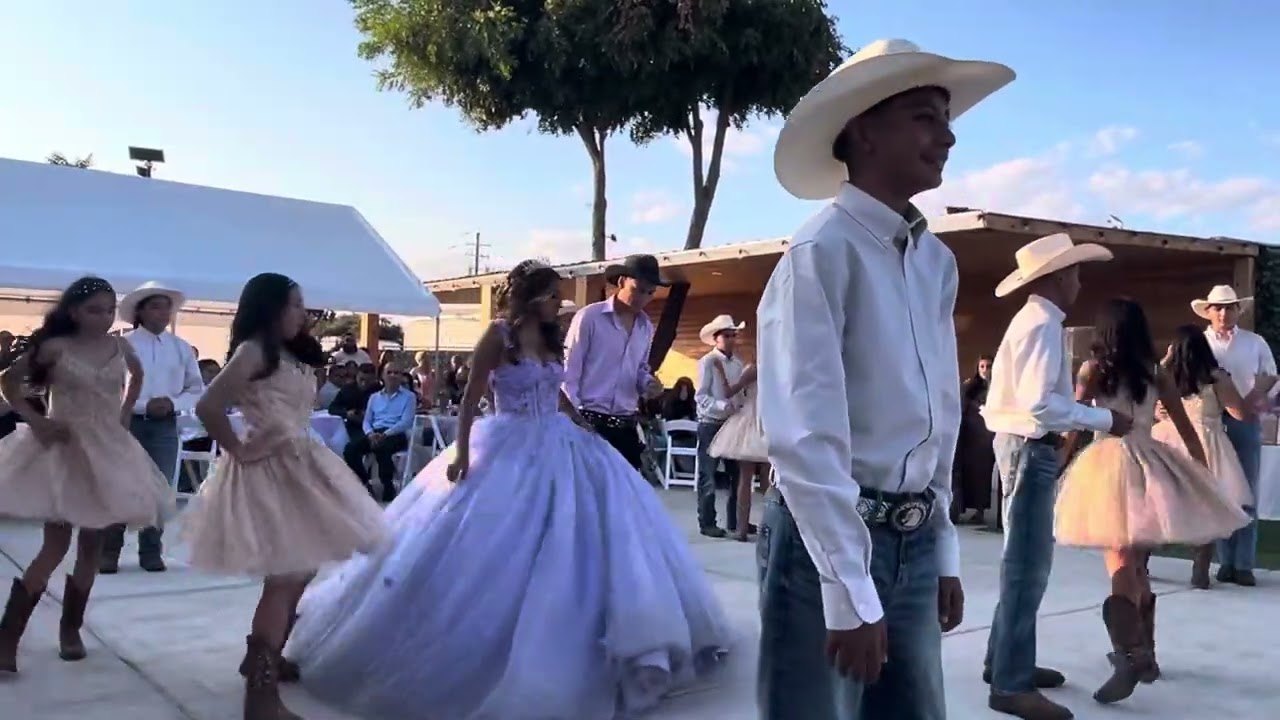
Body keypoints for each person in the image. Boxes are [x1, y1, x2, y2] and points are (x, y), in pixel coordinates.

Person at [286, 260, 729, 720]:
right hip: (508, 440)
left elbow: (557, 389)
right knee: (495, 541)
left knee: (582, 533)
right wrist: (461, 453)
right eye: (553, 295)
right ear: (532, 296)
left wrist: (576, 419)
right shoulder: (499, 336)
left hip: (559, 437)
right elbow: (472, 397)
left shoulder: (553, 337)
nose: (559, 303)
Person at [756, 39, 1014, 720]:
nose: (947, 137)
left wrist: (942, 547)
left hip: (915, 537)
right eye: (925, 117)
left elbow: (939, 414)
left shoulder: (935, 262)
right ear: (864, 132)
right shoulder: (820, 254)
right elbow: (805, 436)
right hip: (825, 542)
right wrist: (847, 589)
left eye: (946, 120)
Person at [181, 272, 385, 720]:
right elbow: (208, 406)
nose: (302, 312)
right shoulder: (254, 350)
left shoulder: (292, 352)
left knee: (302, 567)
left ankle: (264, 658)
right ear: (270, 307)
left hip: (302, 461)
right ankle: (260, 697)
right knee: (286, 576)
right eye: (294, 304)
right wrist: (237, 448)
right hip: (270, 467)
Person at [1055, 298, 1249, 705]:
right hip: (1149, 461)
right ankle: (1146, 654)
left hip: (1106, 465)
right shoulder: (1155, 372)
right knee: (1135, 564)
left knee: (1119, 562)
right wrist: (1202, 476)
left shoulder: (1094, 370)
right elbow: (1186, 430)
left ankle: (1130, 656)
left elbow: (1074, 423)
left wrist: (1058, 463)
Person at [0, 277, 174, 673]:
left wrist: (125, 412)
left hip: (108, 451)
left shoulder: (120, 346)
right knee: (54, 546)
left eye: (109, 310)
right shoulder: (54, 347)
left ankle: (71, 629)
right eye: (94, 310)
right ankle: (8, 636)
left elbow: (137, 377)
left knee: (92, 546)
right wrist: (36, 420)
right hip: (63, 449)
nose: (104, 318)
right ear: (73, 311)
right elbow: (9, 382)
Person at [981, 232, 1121, 720]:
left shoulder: (1034, 321)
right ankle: (1010, 682)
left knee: (1021, 563)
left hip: (1020, 445)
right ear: (1059, 276)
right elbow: (1040, 404)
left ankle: (1004, 660)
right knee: (1027, 566)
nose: (1079, 282)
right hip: (1029, 446)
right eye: (1075, 272)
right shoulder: (1041, 324)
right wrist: (1105, 419)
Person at [1154, 325, 1275, 588]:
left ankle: (1141, 562)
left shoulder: (1165, 376)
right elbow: (1240, 413)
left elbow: (1153, 400)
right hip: (1206, 442)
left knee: (1159, 502)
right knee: (1207, 505)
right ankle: (1201, 569)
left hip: (1168, 439)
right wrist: (1257, 390)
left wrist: (1166, 358)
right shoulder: (1216, 377)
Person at [101, 281, 203, 575]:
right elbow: (110, 386)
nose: (163, 313)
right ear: (140, 311)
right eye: (156, 307)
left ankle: (151, 550)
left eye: (167, 308)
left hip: (164, 426)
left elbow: (196, 388)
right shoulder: (122, 344)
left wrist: (172, 403)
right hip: (126, 422)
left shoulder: (181, 348)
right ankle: (109, 551)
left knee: (159, 487)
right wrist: (144, 405)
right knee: (120, 485)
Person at [1194, 285, 1276, 587]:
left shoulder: (1254, 342)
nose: (1223, 313)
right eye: (1218, 307)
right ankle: (1225, 561)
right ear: (1208, 311)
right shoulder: (1199, 343)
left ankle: (1243, 564)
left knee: (1247, 490)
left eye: (1229, 307)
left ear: (1238, 310)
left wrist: (1254, 398)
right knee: (1219, 489)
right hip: (1210, 421)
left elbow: (1270, 374)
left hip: (1245, 420)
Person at [563, 254, 667, 468]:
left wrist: (648, 384)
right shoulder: (590, 317)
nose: (643, 298)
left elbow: (639, 369)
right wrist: (573, 419)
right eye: (638, 290)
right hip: (588, 420)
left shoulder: (645, 327)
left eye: (650, 293)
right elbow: (569, 370)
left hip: (625, 425)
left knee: (626, 487)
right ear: (621, 282)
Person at [694, 314, 752, 538]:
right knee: (708, 475)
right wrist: (721, 406)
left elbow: (739, 392)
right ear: (716, 338)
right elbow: (701, 396)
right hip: (710, 422)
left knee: (736, 475)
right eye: (726, 336)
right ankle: (707, 522)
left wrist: (739, 407)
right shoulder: (707, 361)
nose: (730, 339)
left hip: (731, 423)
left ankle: (735, 521)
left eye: (732, 335)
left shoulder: (737, 363)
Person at [707, 357, 769, 542]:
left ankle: (742, 529)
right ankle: (768, 528)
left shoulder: (753, 369)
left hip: (751, 419)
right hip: (768, 421)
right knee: (767, 481)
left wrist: (721, 371)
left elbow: (729, 392)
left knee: (745, 478)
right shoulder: (776, 368)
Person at [341, 363, 416, 502]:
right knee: (350, 449)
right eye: (389, 372)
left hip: (395, 433)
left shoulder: (409, 397)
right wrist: (370, 434)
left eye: (397, 373)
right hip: (374, 432)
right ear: (382, 376)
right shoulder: (374, 397)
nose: (393, 376)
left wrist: (385, 434)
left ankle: (388, 487)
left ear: (401, 376)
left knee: (382, 447)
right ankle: (364, 484)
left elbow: (406, 421)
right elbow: (367, 420)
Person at [953, 354, 994, 524]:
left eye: (988, 366)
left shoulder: (998, 387)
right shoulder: (971, 386)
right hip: (969, 436)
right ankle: (959, 508)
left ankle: (980, 511)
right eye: (982, 366)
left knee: (983, 474)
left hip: (986, 437)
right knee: (965, 473)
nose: (985, 370)